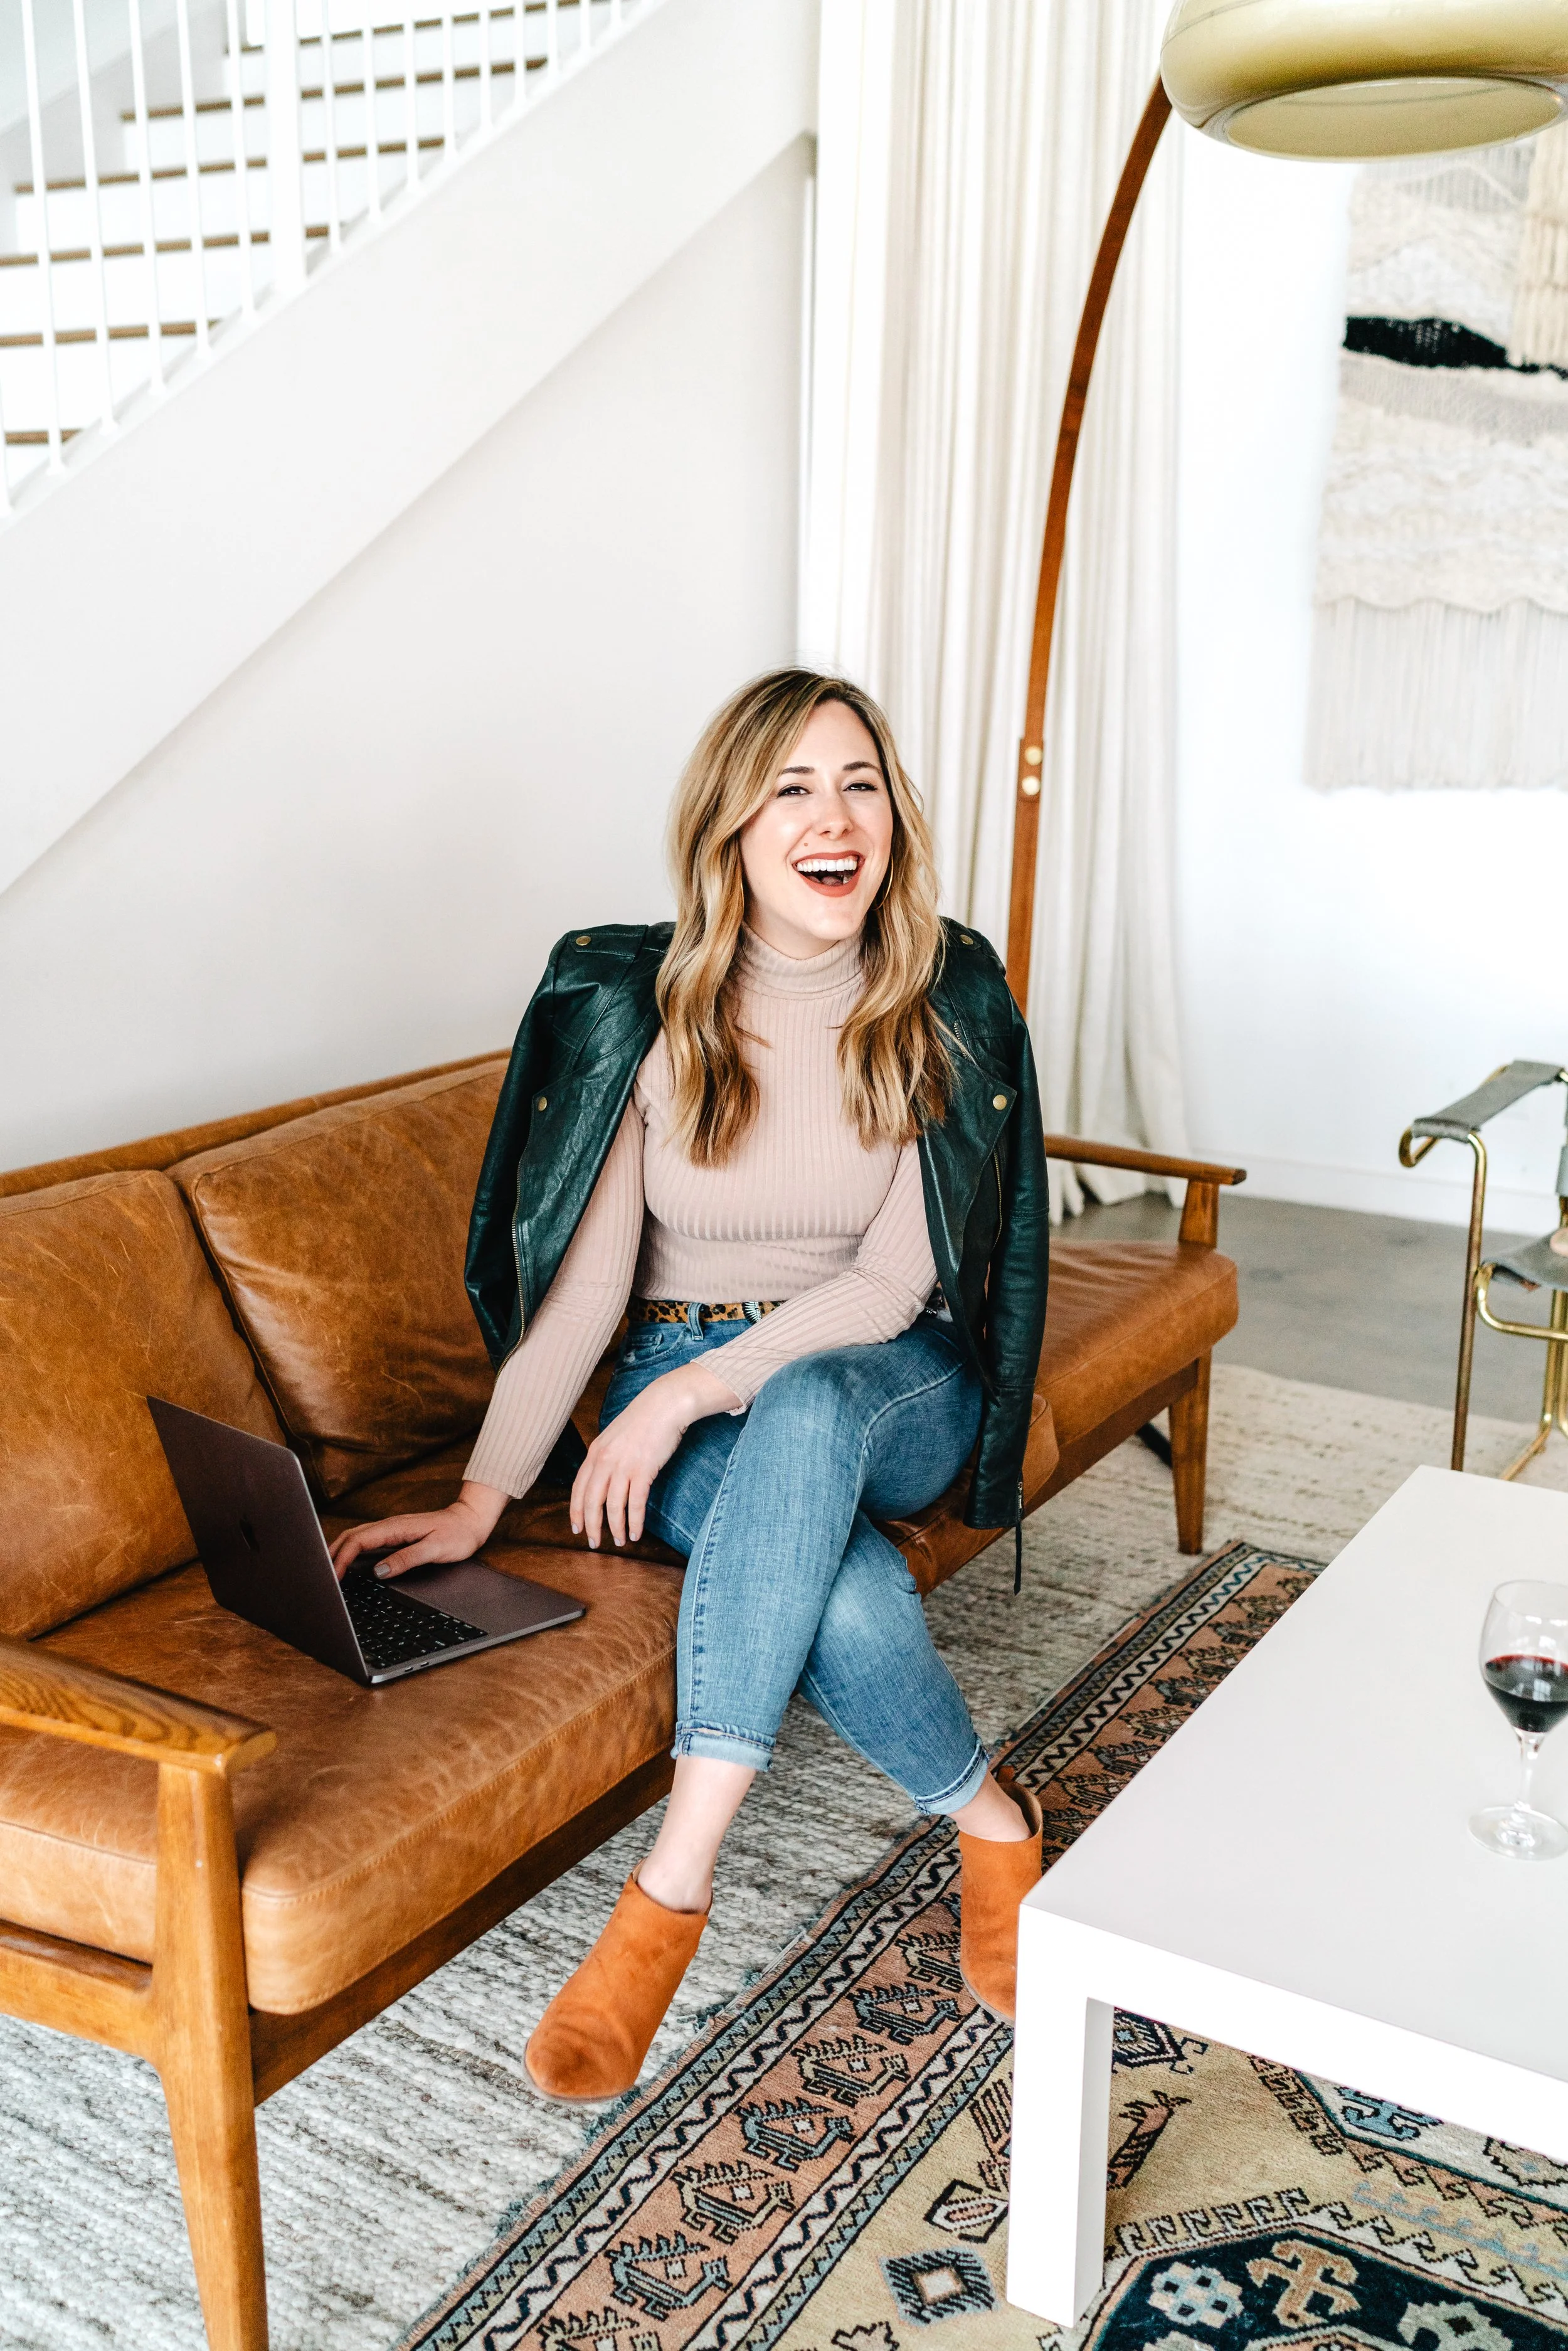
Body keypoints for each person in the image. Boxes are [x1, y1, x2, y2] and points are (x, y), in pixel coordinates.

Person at [331, 668, 1050, 2104]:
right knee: (839, 1584)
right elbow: (592, 1288)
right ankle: (992, 1821)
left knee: (802, 1406)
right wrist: (486, 1492)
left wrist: (674, 1399)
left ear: (891, 819)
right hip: (686, 1368)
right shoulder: (650, 1012)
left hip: (885, 1375)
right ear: (728, 825)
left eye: (857, 782)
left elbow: (888, 1286)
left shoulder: (936, 1000)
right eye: (790, 786)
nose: (831, 816)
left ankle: (669, 1882)